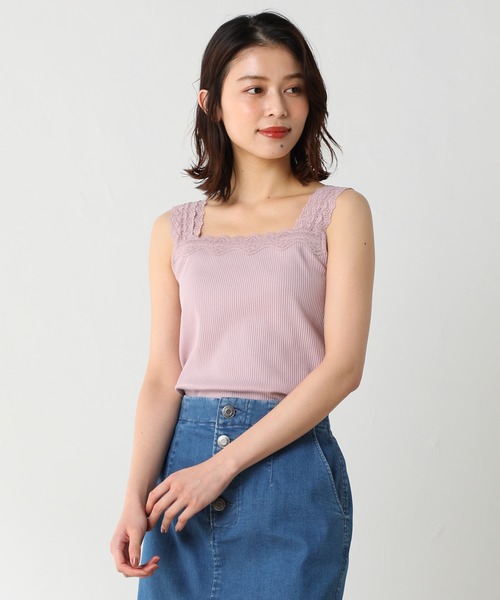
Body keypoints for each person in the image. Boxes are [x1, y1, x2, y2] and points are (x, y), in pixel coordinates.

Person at [110, 11, 374, 600]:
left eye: (294, 88)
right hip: (180, 478)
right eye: (254, 89)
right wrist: (133, 494)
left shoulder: (339, 212)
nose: (277, 108)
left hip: (289, 469)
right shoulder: (175, 229)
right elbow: (162, 375)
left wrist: (222, 466)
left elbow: (343, 368)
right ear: (212, 104)